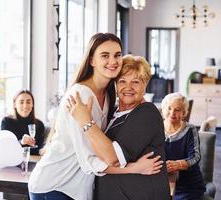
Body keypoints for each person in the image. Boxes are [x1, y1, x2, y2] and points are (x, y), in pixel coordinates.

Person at [28, 33, 163, 200]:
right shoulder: (80, 96)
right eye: (105, 55)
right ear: (92, 60)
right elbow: (89, 159)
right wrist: (133, 168)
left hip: (76, 189)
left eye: (117, 55)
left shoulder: (107, 98)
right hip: (55, 185)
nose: (113, 61)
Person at [67, 54, 170, 199]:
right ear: (115, 84)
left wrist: (86, 122)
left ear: (145, 84)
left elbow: (113, 158)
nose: (128, 87)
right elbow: (97, 154)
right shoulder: (112, 112)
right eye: (122, 81)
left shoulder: (147, 113)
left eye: (135, 82)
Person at [161, 92, 205, 200]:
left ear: (184, 112)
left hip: (188, 185)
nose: (172, 113)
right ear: (163, 109)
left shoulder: (190, 130)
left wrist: (178, 164)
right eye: (169, 108)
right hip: (161, 182)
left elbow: (196, 157)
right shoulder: (156, 128)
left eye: (177, 109)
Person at [1, 89, 45, 155]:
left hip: (34, 161)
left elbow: (39, 149)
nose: (25, 106)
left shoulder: (39, 124)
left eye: (28, 102)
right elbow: (5, 147)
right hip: (13, 161)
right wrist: (21, 142)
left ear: (32, 104)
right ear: (15, 105)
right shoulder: (7, 122)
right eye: (21, 102)